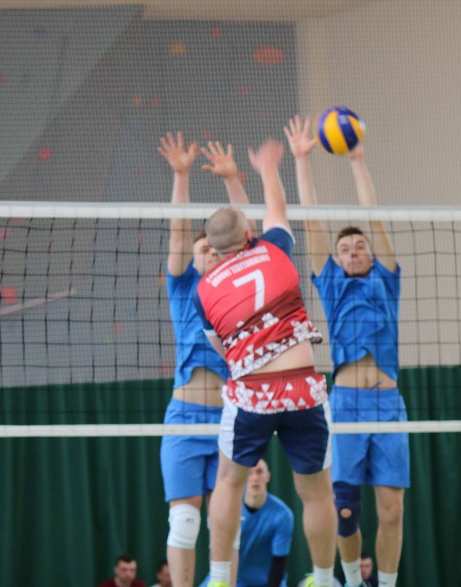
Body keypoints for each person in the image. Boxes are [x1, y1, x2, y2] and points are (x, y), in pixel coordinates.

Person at [194, 138, 337, 587]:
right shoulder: (274, 249)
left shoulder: (204, 290)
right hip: (302, 389)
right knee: (316, 493)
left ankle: (220, 578)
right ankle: (323, 579)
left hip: (252, 394)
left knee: (228, 483)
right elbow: (276, 208)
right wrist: (268, 169)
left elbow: (223, 350)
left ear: (212, 247)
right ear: (249, 234)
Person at [285, 115, 405, 587]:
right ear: (335, 259)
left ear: (372, 255)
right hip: (348, 404)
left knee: (392, 511)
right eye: (345, 248)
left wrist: (357, 162)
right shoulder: (332, 285)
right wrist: (302, 160)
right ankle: (352, 582)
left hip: (388, 403)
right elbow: (311, 220)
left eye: (359, 247)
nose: (353, 251)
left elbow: (375, 217)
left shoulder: (386, 280)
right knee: (346, 509)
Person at [158, 133, 249, 587]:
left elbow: (252, 238)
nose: (209, 253)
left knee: (227, 523)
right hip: (184, 417)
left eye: (214, 248)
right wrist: (182, 174)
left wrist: (233, 180)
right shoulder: (182, 287)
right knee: (185, 521)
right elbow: (178, 231)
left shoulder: (239, 285)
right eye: (201, 250)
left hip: (230, 417)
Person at [202, 459, 295, 587]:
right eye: (250, 473)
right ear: (243, 477)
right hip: (230, 580)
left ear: (268, 476)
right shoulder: (228, 510)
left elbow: (279, 563)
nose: (255, 478)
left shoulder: (283, 514)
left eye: (259, 472)